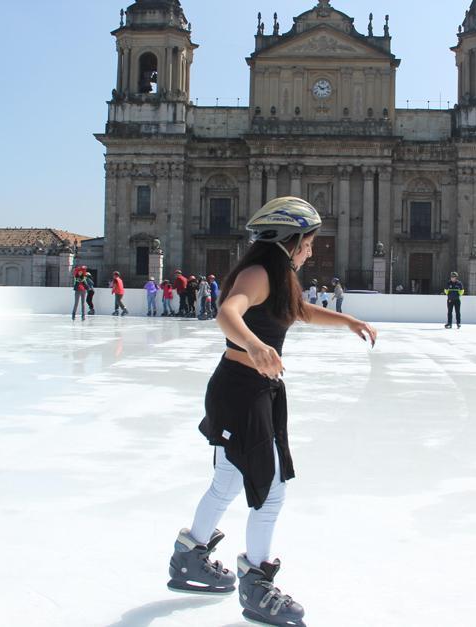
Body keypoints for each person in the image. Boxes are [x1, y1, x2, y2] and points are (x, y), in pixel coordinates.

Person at [165, 197, 377, 627]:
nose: (312, 250)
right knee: (270, 488)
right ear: (291, 240)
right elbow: (227, 312)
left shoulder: (277, 277)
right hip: (242, 392)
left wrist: (348, 321)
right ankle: (257, 584)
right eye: (309, 242)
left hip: (249, 391)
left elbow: (298, 312)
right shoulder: (258, 273)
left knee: (227, 480)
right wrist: (256, 345)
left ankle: (189, 557)